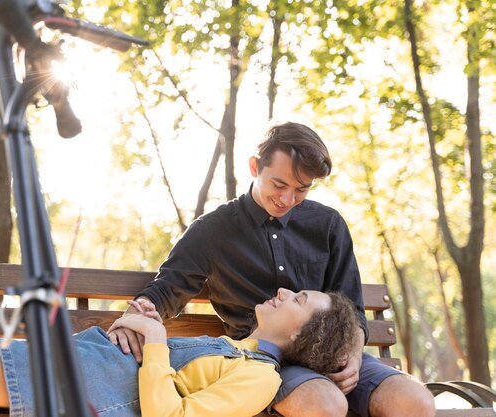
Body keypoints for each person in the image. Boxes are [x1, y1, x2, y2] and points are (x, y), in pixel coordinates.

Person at [108, 121, 436, 417]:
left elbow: (350, 305)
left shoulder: (328, 225)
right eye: (279, 184)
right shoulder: (213, 230)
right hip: (265, 362)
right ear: (255, 166)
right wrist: (138, 316)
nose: (287, 198)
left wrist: (352, 352)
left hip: (338, 355)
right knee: (324, 405)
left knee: (415, 402)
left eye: (301, 188)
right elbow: (168, 288)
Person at [0, 289, 357, 417]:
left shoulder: (260, 379)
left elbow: (170, 414)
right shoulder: (230, 348)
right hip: (77, 361)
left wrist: (158, 342)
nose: (284, 290)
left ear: (304, 338)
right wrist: (144, 326)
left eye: (300, 300)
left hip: (81, 383)